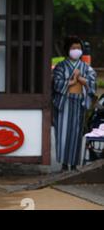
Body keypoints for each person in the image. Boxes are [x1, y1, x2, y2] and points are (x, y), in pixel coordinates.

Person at [52, 36, 97, 171]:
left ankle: (74, 163)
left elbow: (92, 83)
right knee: (63, 133)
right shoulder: (61, 66)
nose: (76, 50)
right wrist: (71, 81)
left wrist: (82, 79)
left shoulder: (86, 68)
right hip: (64, 103)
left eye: (78, 48)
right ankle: (64, 164)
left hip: (78, 102)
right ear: (67, 50)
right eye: (73, 48)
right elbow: (56, 83)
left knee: (76, 134)